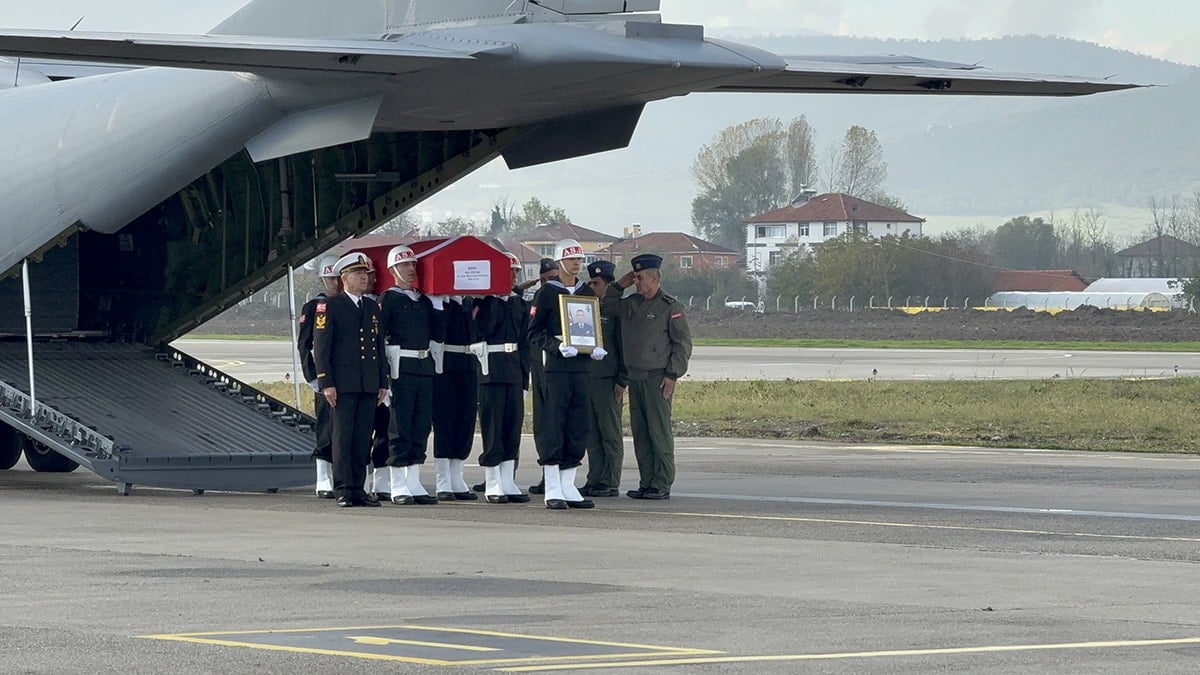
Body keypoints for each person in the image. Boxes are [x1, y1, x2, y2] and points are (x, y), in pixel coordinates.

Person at [601, 253, 692, 500]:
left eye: (640, 278)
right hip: (635, 376)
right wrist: (619, 285)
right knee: (641, 433)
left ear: (655, 278)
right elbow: (606, 306)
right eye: (635, 278)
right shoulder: (632, 303)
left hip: (657, 378)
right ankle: (647, 482)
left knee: (658, 431)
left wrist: (673, 374)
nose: (637, 282)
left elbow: (682, 344)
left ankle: (661, 483)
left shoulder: (670, 306)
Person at [527, 239, 607, 510]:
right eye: (572, 259)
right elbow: (534, 332)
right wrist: (556, 346)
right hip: (556, 368)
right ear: (560, 262)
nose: (577, 264)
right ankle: (552, 485)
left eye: (579, 259)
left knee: (578, 423)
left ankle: (568, 482)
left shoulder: (585, 292)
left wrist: (595, 346)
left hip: (581, 367)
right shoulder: (546, 293)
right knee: (554, 422)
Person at [313, 252, 389, 508]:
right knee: (343, 437)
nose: (364, 278)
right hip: (343, 384)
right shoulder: (330, 306)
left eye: (365, 273)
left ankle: (359, 488)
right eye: (357, 273)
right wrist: (326, 382)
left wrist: (383, 381)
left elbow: (378, 347)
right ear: (344, 278)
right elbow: (321, 348)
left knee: (362, 438)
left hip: (367, 383)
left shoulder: (371, 307)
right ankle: (344, 489)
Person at [377, 245, 439, 505]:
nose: (411, 269)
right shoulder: (388, 299)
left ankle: (413, 480)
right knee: (399, 426)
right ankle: (398, 482)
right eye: (404, 265)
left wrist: (438, 307)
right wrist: (384, 379)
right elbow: (378, 340)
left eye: (413, 264)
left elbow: (437, 333)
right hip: (400, 369)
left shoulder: (422, 300)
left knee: (420, 425)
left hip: (423, 367)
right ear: (392, 270)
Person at [475, 252, 533, 504]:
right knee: (493, 425)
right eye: (509, 271)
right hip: (491, 370)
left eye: (515, 272)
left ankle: (508, 479)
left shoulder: (519, 303)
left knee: (512, 425)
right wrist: (494, 298)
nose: (513, 276)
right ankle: (493, 480)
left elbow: (524, 342)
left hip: (513, 370)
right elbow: (484, 330)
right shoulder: (485, 302)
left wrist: (524, 378)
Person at [581, 260, 627, 498]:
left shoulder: (615, 311)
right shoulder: (586, 309)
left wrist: (622, 380)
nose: (592, 287)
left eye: (596, 283)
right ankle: (595, 478)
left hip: (608, 379)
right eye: (590, 283)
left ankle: (610, 480)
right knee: (592, 434)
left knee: (610, 433)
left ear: (608, 285)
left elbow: (624, 347)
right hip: (589, 377)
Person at [297, 254, 341, 499]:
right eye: (331, 278)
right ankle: (323, 477)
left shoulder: (348, 304)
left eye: (338, 277)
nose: (335, 282)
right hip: (325, 377)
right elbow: (305, 345)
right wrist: (313, 378)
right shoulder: (314, 306)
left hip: (347, 375)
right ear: (323, 279)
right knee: (325, 427)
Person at [431, 293, 480, 502]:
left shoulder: (471, 303)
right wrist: (442, 304)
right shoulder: (442, 304)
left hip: (469, 365)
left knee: (465, 421)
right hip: (446, 364)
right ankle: (443, 478)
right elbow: (437, 331)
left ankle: (457, 476)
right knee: (445, 421)